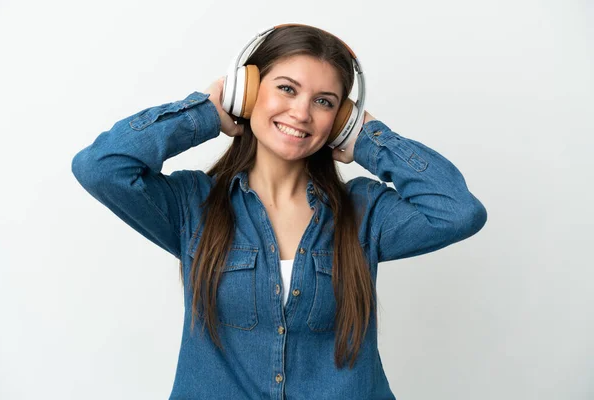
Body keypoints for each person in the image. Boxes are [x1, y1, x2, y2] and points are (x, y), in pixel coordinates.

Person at [72, 24, 487, 400]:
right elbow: (100, 167)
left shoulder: (365, 213)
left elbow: (458, 211)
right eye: (287, 89)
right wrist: (205, 113)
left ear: (339, 119)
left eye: (324, 102)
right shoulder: (192, 205)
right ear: (249, 91)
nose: (301, 113)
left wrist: (367, 139)